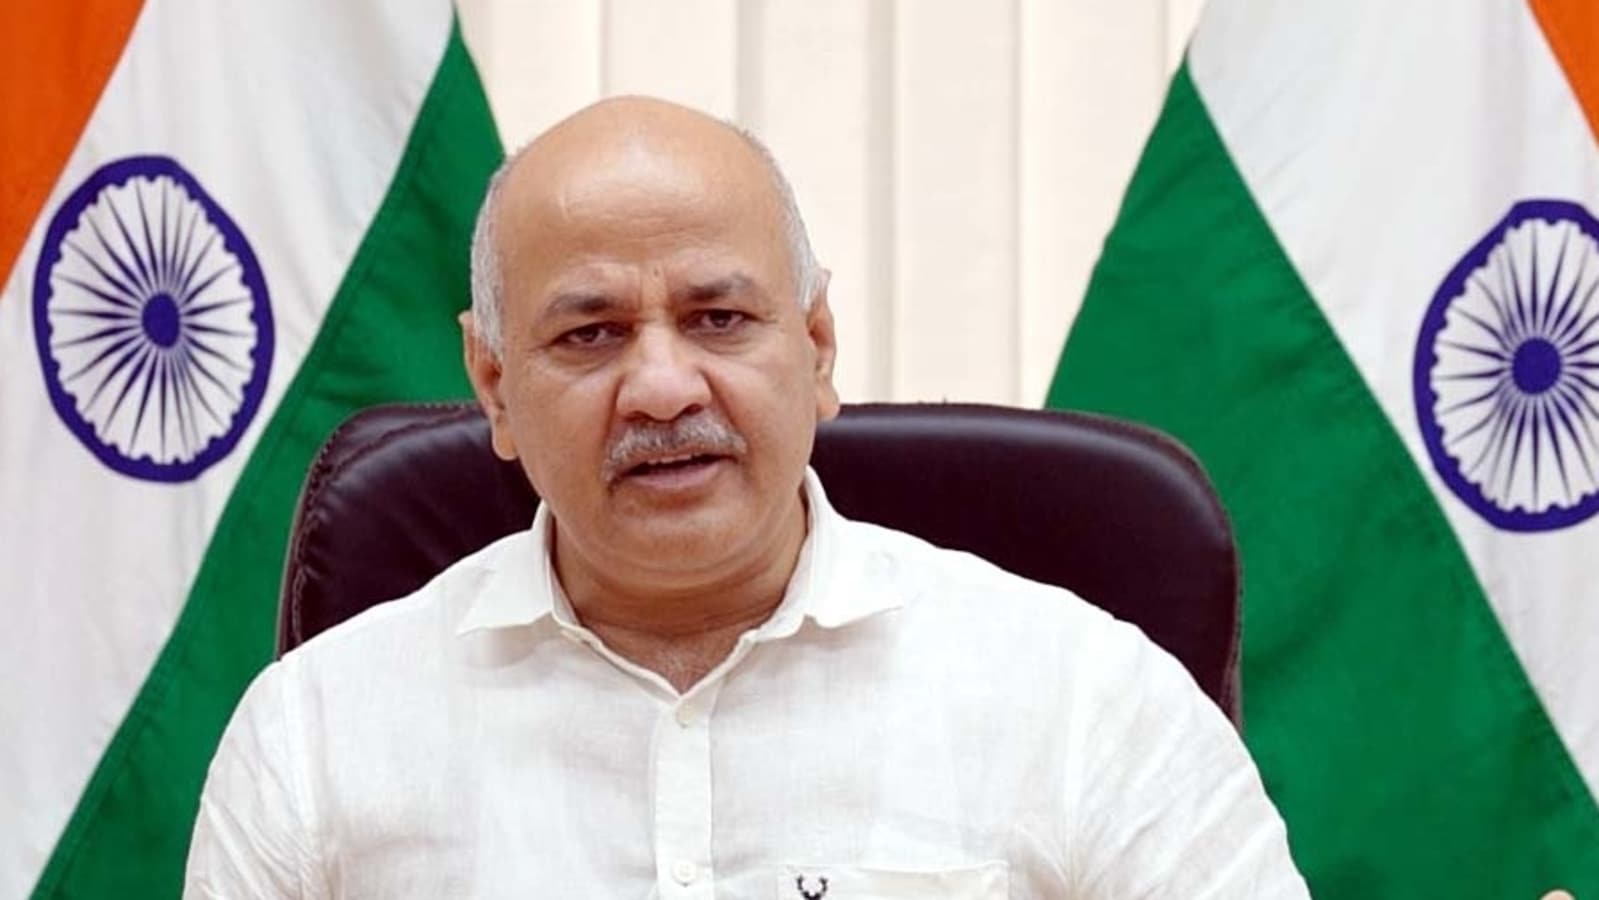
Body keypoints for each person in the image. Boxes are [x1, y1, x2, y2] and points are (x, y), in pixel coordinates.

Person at [184, 96, 1309, 897]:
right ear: (493, 385)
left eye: (718, 319)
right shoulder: (318, 739)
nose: (662, 388)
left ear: (816, 346)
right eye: (590, 334)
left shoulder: (1083, 702)